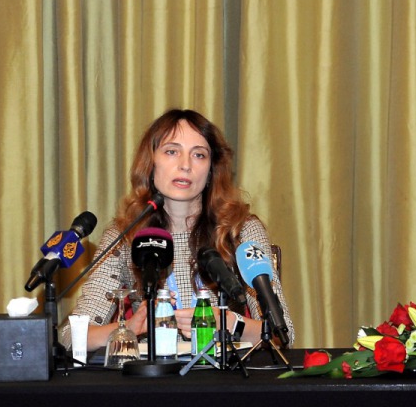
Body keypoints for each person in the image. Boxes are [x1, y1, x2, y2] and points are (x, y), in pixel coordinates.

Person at [62, 108, 294, 352]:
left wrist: (229, 322)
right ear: (150, 163)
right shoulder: (126, 236)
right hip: (153, 384)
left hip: (223, 381)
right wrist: (130, 326)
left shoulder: (240, 229)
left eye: (199, 155)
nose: (185, 165)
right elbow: (71, 337)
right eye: (172, 152)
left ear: (211, 170)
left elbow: (283, 333)